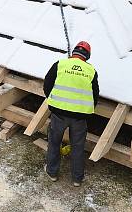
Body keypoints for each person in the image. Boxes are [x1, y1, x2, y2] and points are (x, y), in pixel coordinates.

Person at [43, 41, 99, 187]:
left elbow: (47, 84)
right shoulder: (91, 71)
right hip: (80, 117)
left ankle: (52, 172)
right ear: (87, 56)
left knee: (54, 143)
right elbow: (95, 95)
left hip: (59, 113)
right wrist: (86, 110)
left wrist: (53, 100)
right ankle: (77, 179)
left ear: (73, 52)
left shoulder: (60, 64)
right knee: (78, 147)